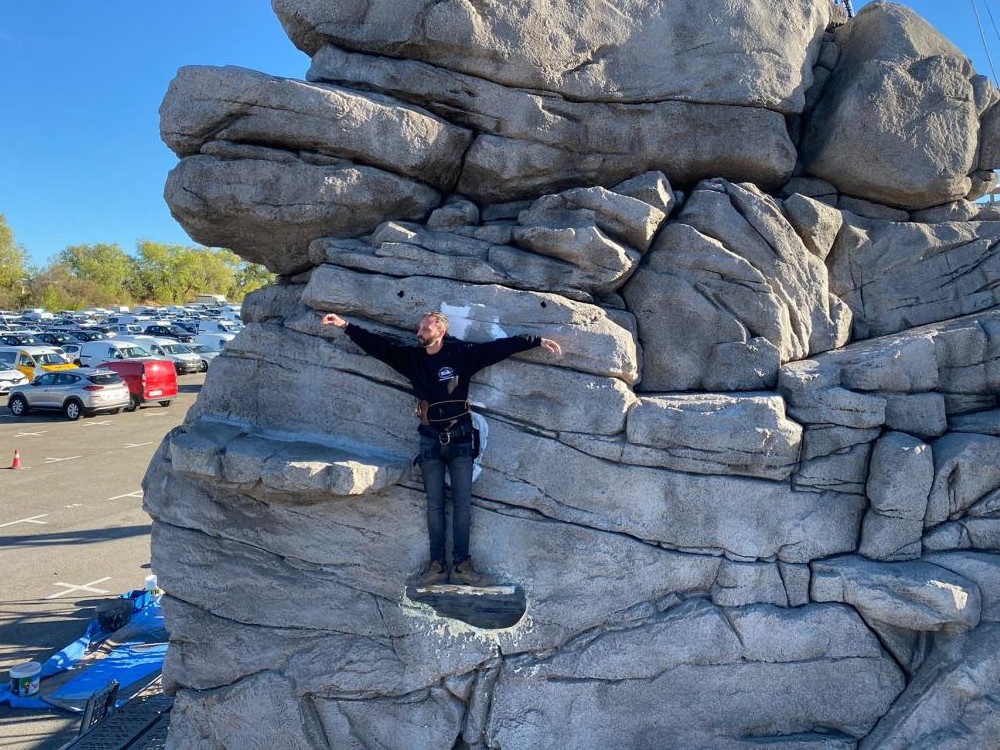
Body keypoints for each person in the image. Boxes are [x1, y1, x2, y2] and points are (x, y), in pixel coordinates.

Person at [322, 310, 562, 585]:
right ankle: (436, 566)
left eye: (425, 329)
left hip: (461, 440)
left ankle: (462, 566)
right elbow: (379, 347)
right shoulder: (412, 359)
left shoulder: (461, 354)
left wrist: (535, 340)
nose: (419, 333)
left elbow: (498, 349)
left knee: (462, 506)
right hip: (429, 440)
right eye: (419, 328)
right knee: (434, 506)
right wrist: (346, 325)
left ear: (441, 331)